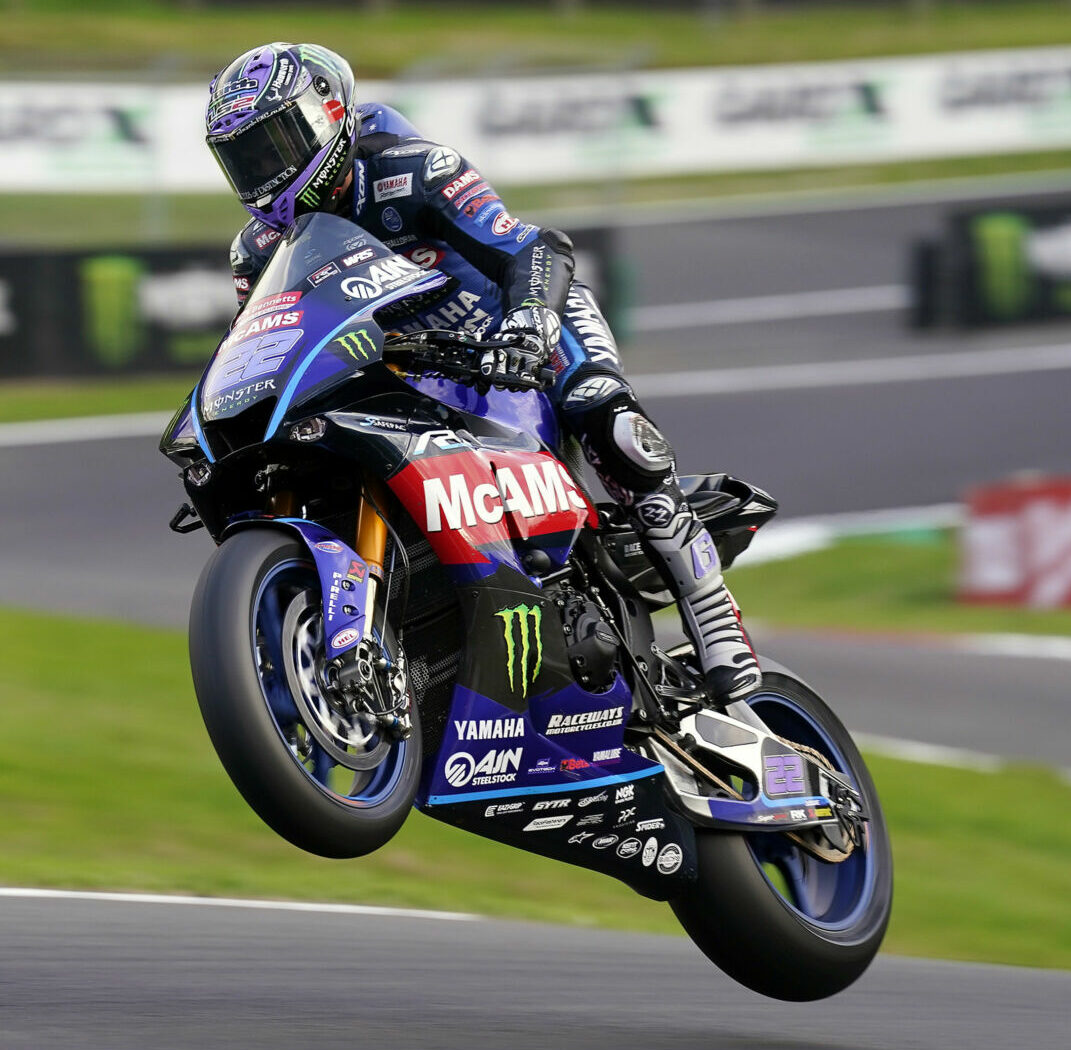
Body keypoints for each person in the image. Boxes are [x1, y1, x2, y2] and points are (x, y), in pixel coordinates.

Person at [199, 42, 760, 703]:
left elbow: (530, 247)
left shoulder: (410, 170)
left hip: (511, 331)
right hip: (414, 375)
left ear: (327, 118)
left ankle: (712, 610)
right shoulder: (257, 250)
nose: (267, 172)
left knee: (611, 423)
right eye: (247, 158)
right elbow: (271, 343)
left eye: (276, 145)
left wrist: (529, 322)